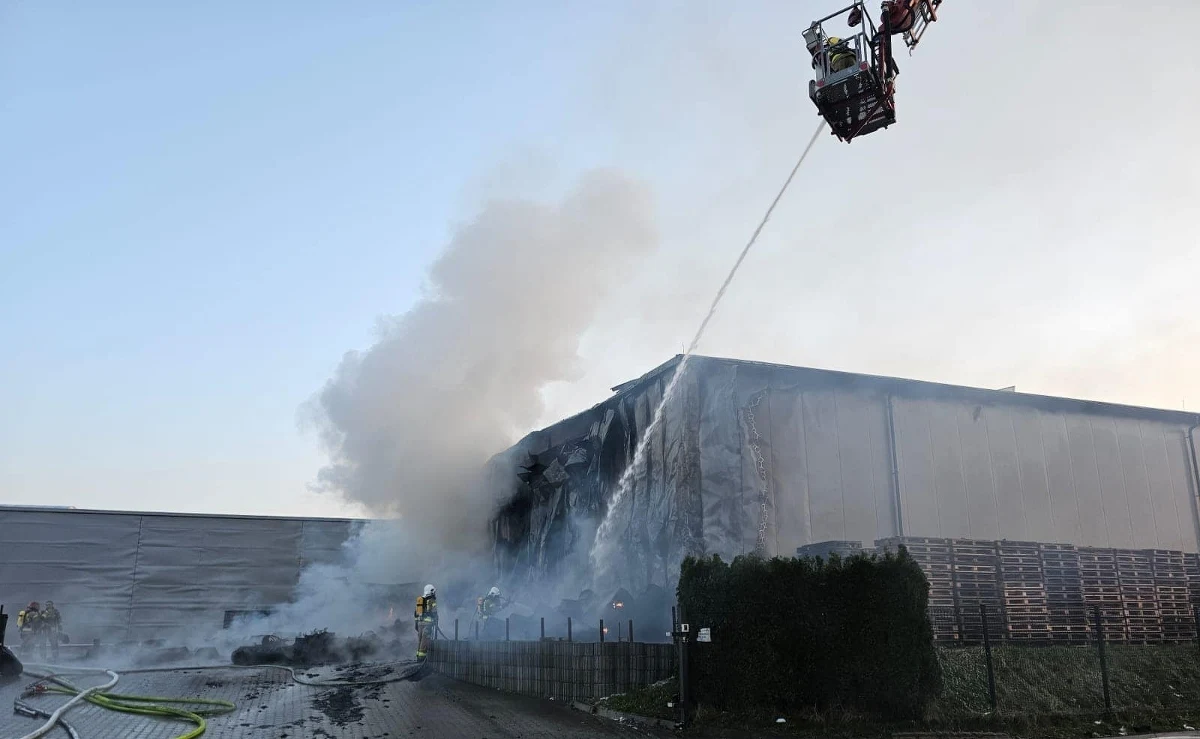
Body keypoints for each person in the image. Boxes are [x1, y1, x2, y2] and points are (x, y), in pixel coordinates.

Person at [414, 584, 437, 659]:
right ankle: (422, 658)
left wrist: (416, 624)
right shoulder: (431, 600)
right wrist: (436, 619)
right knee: (425, 640)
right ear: (431, 591)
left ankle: (418, 656)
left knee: (420, 640)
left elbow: (415, 613)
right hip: (428, 624)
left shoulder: (421, 600)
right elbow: (434, 612)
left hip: (420, 623)